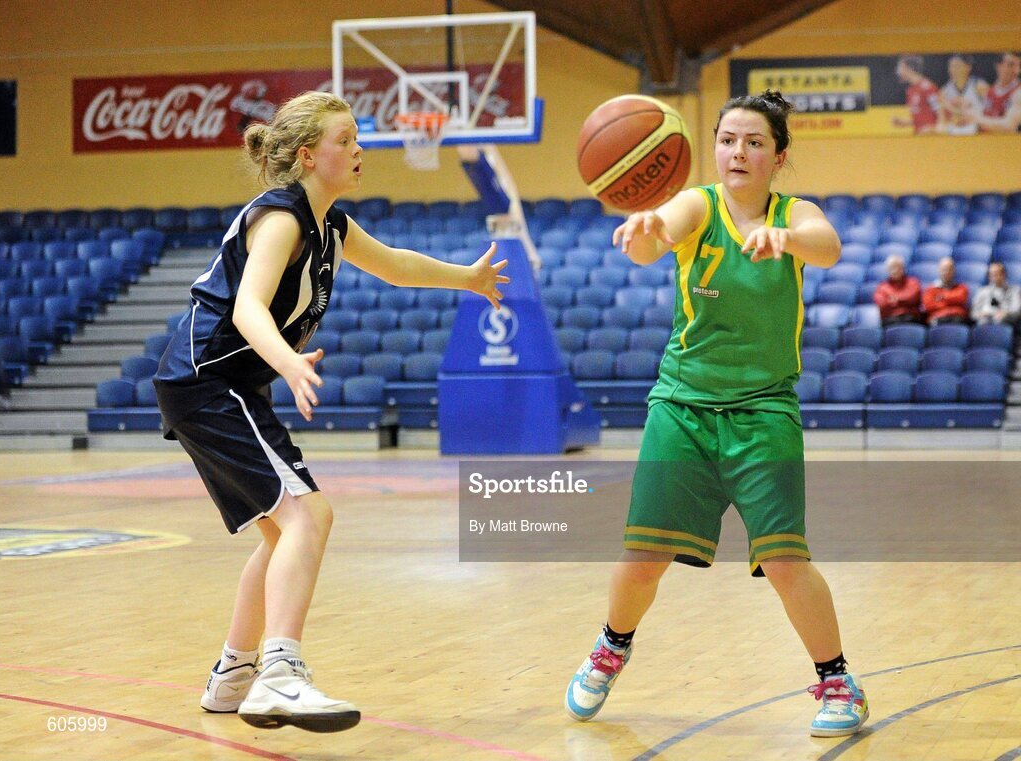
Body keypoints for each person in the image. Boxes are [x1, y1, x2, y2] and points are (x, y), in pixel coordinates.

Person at [153, 91, 508, 733]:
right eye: (346, 139)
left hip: (223, 383)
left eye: (357, 138)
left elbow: (395, 267)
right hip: (209, 378)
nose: (359, 149)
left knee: (285, 528)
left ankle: (234, 675)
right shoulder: (282, 219)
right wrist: (289, 363)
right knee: (308, 515)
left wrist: (468, 278)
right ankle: (278, 676)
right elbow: (248, 309)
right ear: (308, 155)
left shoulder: (330, 225)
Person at [564, 90, 869, 738]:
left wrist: (784, 236)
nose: (739, 151)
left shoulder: (794, 214)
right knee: (643, 554)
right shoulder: (695, 203)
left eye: (755, 141)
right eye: (729, 139)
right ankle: (612, 644)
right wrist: (646, 231)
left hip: (764, 410)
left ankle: (838, 678)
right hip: (683, 405)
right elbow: (654, 242)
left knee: (786, 561)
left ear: (777, 156)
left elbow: (829, 246)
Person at [966, 52, 1021, 133]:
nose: (1016, 71)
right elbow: (983, 116)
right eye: (1011, 65)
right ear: (999, 66)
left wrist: (977, 118)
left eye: (1019, 66)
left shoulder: (1018, 92)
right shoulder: (990, 90)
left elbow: (1009, 126)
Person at [938, 54, 988, 135]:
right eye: (951, 66)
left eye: (957, 66)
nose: (953, 70)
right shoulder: (944, 91)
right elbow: (942, 119)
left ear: (968, 67)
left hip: (978, 128)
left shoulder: (980, 86)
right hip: (955, 129)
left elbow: (990, 112)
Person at [892, 55, 940, 134]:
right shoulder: (910, 91)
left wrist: (933, 129)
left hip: (931, 138)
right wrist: (903, 122)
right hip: (918, 136)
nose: (898, 72)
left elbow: (941, 113)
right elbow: (920, 118)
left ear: (908, 68)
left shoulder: (927, 87)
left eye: (900, 68)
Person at [873, 254, 924, 325]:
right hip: (890, 319)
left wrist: (895, 300)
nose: (895, 270)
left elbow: (913, 297)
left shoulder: (913, 282)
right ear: (887, 270)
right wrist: (904, 300)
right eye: (892, 268)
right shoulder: (882, 287)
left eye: (898, 267)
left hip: (911, 318)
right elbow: (882, 304)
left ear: (903, 268)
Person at [922, 257, 970, 325]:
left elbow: (961, 299)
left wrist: (941, 298)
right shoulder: (930, 289)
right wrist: (953, 304)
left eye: (949, 269)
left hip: (957, 318)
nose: (946, 272)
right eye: (944, 269)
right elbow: (929, 306)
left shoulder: (961, 287)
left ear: (954, 270)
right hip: (937, 319)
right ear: (939, 270)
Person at [971, 262, 1021, 326]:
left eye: (998, 274)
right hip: (985, 321)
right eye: (992, 274)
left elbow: (1017, 311)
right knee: (983, 322)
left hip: (1005, 321)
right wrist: (982, 314)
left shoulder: (1015, 290)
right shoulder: (982, 291)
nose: (995, 277)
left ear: (1004, 274)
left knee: (999, 321)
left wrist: (1006, 314)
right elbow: (973, 313)